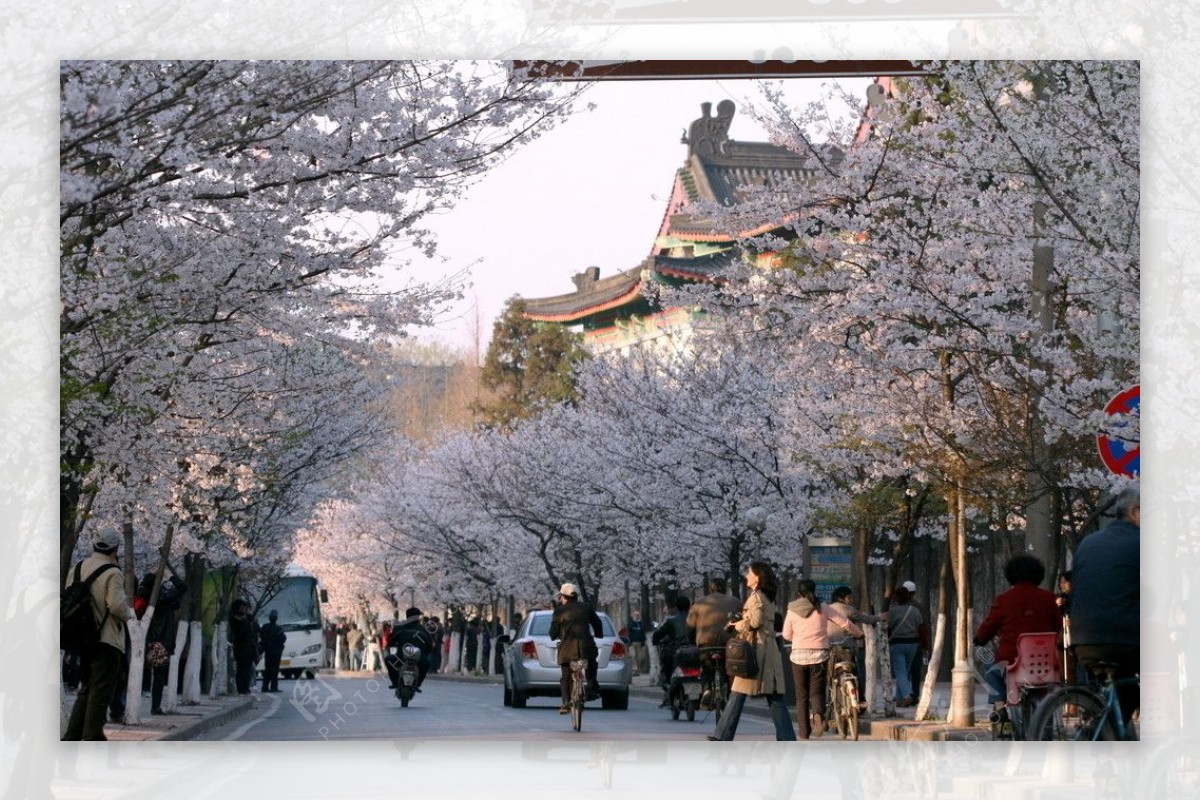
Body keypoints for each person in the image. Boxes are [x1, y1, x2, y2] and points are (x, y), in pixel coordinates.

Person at [1069, 483, 1140, 725]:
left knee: (1118, 694)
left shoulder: (1089, 543)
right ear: (1135, 512)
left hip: (1083, 641)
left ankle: (1102, 737)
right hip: (1123, 639)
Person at [709, 561, 796, 741]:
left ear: (757, 577)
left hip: (758, 651)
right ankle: (786, 737)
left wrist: (737, 624)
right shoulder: (765, 596)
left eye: (750, 572)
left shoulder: (756, 597)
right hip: (765, 650)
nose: (747, 575)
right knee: (770, 696)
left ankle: (723, 735)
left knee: (743, 693)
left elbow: (755, 623)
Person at [971, 555, 1062, 718]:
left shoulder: (1004, 600)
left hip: (1011, 664)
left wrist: (980, 639)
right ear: (1038, 574)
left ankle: (999, 706)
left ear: (1010, 575)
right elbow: (1057, 627)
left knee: (987, 660)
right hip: (1044, 664)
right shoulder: (1049, 598)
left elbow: (987, 629)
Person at [63, 533, 131, 741]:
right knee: (101, 691)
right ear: (115, 549)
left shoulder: (77, 568)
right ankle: (93, 737)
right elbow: (117, 606)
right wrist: (130, 615)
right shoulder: (113, 572)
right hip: (106, 639)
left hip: (81, 641)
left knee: (87, 688)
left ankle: (72, 736)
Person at [782, 579, 863, 739]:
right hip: (819, 655)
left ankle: (804, 733)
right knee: (817, 691)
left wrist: (797, 637)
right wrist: (859, 633)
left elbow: (786, 634)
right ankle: (818, 714)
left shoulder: (792, 610)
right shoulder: (823, 607)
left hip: (798, 656)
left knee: (801, 696)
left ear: (799, 593)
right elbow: (844, 622)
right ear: (814, 590)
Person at [549, 583, 603, 714]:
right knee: (591, 665)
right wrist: (599, 634)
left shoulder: (560, 611)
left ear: (564, 597)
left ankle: (566, 702)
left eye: (561, 597)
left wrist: (554, 634)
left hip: (568, 650)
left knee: (566, 676)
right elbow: (597, 623)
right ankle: (591, 687)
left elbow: (553, 633)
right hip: (587, 648)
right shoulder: (586, 608)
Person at [143, 570, 188, 713]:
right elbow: (182, 588)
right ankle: (155, 707)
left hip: (149, 639)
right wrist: (170, 575)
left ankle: (153, 704)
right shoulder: (160, 599)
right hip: (160, 641)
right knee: (159, 675)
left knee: (154, 674)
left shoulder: (146, 597)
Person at [827, 585, 880, 693]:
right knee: (855, 672)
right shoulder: (849, 610)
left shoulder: (827, 609)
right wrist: (879, 617)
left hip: (830, 648)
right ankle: (860, 697)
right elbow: (867, 619)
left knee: (831, 675)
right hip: (848, 648)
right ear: (841, 598)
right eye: (849, 597)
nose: (851, 600)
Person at [886, 585, 928, 707]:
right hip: (913, 645)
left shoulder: (892, 611)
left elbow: (888, 628)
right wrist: (925, 647)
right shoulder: (915, 611)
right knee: (905, 671)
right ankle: (900, 699)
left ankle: (907, 694)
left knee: (900, 671)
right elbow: (922, 629)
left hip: (897, 644)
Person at [652, 595, 691, 706]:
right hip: (693, 649)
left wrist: (655, 640)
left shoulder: (671, 621)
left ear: (677, 607)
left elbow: (658, 634)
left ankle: (668, 684)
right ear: (689, 607)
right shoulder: (695, 620)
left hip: (675, 651)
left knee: (666, 664)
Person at [386, 607, 435, 691]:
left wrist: (393, 647)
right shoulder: (423, 629)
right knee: (426, 664)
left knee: (388, 660)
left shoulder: (400, 627)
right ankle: (418, 683)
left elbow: (391, 641)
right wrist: (426, 653)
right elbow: (429, 645)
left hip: (401, 656)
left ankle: (395, 682)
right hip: (419, 656)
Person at [227, 599, 259, 695]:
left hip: (249, 648)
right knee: (242, 669)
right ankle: (242, 688)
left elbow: (255, 631)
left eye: (246, 608)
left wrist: (252, 622)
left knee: (248, 668)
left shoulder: (248, 618)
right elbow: (240, 633)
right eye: (243, 607)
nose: (245, 609)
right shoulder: (236, 619)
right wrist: (247, 622)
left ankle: (246, 687)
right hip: (241, 648)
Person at [258, 610, 287, 692]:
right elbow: (283, 639)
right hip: (276, 652)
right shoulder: (279, 629)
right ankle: (273, 687)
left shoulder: (265, 627)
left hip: (268, 651)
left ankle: (265, 687)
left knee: (268, 669)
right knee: (275, 670)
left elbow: (261, 636)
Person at [625, 609, 648, 675]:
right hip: (632, 643)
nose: (636, 616)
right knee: (633, 656)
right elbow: (629, 628)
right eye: (635, 615)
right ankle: (634, 670)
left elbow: (643, 633)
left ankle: (637, 671)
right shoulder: (631, 623)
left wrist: (643, 642)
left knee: (639, 658)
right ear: (633, 616)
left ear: (639, 616)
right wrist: (633, 621)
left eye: (638, 615)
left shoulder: (641, 624)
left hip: (639, 643)